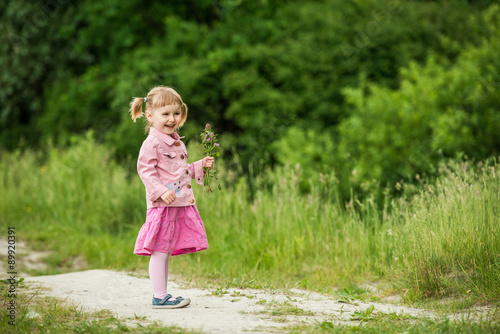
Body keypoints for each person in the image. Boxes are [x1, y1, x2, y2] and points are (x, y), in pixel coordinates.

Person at [129, 86, 214, 309]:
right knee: (159, 249)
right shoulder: (152, 143)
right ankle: (159, 296)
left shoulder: (176, 141)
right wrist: (160, 191)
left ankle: (163, 294)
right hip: (162, 205)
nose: (171, 119)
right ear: (150, 116)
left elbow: (179, 170)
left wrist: (199, 166)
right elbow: (145, 171)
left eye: (176, 113)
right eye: (165, 114)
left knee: (165, 251)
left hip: (178, 202)